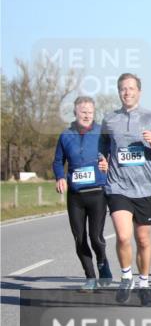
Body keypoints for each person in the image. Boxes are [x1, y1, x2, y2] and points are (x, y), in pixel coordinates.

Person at [97, 73, 151, 306]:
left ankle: (144, 283)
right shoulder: (109, 119)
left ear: (139, 91)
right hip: (118, 185)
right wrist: (102, 158)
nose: (127, 92)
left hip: (144, 187)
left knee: (143, 240)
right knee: (122, 235)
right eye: (122, 89)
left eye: (131, 88)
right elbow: (102, 145)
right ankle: (126, 276)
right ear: (119, 92)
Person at [53, 95, 113, 291]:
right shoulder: (65, 135)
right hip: (76, 197)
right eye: (83, 112)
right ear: (75, 113)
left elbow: (113, 153)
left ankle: (103, 262)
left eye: (90, 112)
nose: (87, 115)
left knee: (96, 237)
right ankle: (90, 278)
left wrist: (108, 162)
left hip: (97, 193)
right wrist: (60, 177)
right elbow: (57, 161)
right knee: (79, 238)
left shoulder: (102, 133)